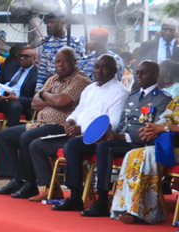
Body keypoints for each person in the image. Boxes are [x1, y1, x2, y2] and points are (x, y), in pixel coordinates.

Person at [53, 60, 172, 216]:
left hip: (139, 143)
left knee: (105, 147)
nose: (139, 76)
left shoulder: (163, 99)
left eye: (144, 72)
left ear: (156, 75)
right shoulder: (133, 96)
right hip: (120, 138)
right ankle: (75, 196)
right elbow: (122, 122)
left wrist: (121, 137)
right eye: (137, 72)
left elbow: (155, 130)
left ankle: (102, 200)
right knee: (75, 144)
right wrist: (108, 134)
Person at [0, 47, 91, 200]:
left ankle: (29, 184)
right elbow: (34, 103)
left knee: (27, 137)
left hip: (61, 125)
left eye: (64, 61)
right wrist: (52, 100)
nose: (60, 65)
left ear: (74, 62)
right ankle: (16, 179)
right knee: (4, 136)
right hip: (39, 122)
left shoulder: (81, 79)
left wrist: (44, 95)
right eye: (57, 61)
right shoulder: (53, 78)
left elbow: (62, 101)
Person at [27, 54, 129, 198]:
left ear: (114, 70)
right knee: (36, 145)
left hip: (96, 139)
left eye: (105, 68)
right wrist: (70, 121)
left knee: (72, 146)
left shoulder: (120, 92)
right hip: (75, 134)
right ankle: (52, 189)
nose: (99, 71)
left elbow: (112, 123)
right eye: (96, 67)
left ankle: (76, 192)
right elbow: (79, 110)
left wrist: (81, 129)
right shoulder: (90, 88)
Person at [110, 96, 179, 223]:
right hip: (171, 145)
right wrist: (152, 128)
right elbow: (165, 119)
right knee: (133, 153)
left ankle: (145, 211)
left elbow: (166, 127)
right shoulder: (177, 100)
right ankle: (127, 207)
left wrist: (166, 129)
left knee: (147, 155)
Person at [36, 11, 90, 85]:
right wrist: (38, 89)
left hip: (67, 84)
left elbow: (80, 66)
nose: (49, 25)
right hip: (49, 84)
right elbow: (42, 70)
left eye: (52, 22)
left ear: (62, 22)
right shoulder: (46, 42)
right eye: (48, 23)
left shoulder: (73, 42)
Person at [0, 47, 39, 126]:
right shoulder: (12, 65)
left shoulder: (37, 75)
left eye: (25, 56)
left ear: (34, 58)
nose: (22, 58)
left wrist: (17, 98)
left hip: (17, 101)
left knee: (15, 107)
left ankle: (10, 136)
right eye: (20, 56)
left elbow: (36, 99)